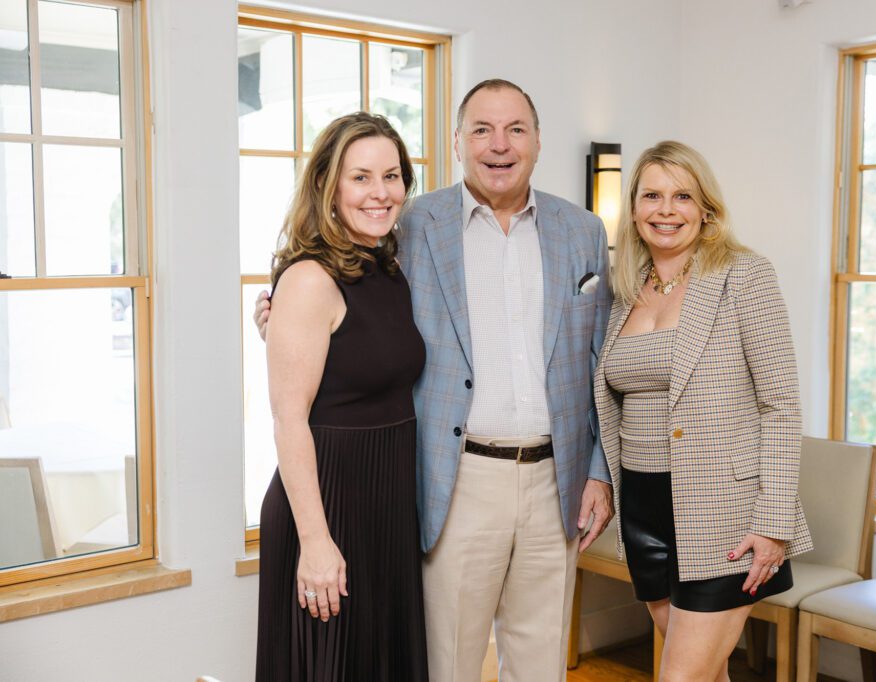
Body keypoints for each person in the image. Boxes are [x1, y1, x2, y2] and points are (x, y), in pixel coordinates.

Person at [256, 79, 613, 680]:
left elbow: (597, 360)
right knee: (443, 663)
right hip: (454, 480)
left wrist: (599, 469)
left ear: (538, 140)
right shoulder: (414, 227)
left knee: (541, 663)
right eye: (481, 130)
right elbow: (327, 298)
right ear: (456, 142)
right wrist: (279, 320)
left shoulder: (583, 231)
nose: (498, 145)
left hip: (557, 481)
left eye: (515, 129)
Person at [593, 141, 813, 681]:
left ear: (705, 209)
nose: (666, 209)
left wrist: (773, 521)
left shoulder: (744, 275)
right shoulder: (624, 289)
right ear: (635, 207)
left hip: (725, 513)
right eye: (652, 195)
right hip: (643, 508)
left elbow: (780, 405)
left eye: (682, 196)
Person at [255, 112, 428, 681]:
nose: (380, 192)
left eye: (391, 175)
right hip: (328, 508)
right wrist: (316, 541)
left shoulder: (388, 267)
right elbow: (289, 420)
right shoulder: (309, 279)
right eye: (361, 177)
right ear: (328, 186)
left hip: (387, 506)